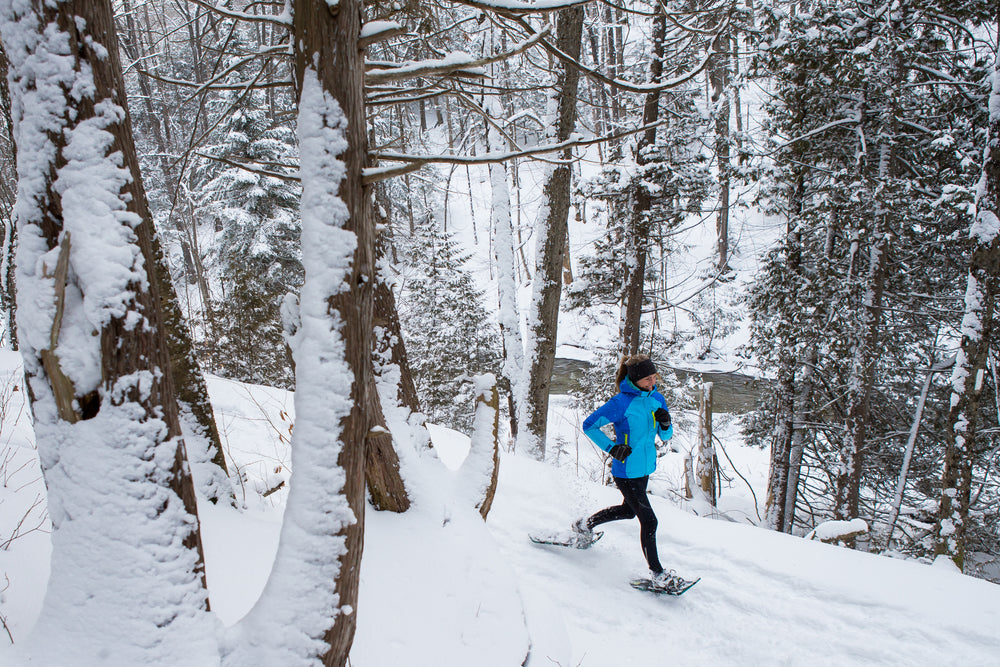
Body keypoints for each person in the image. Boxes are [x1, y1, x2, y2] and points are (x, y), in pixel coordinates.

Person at [573, 354, 676, 588]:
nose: (652, 382)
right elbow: (589, 425)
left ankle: (584, 525)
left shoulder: (657, 398)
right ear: (635, 380)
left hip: (645, 468)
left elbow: (665, 436)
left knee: (628, 511)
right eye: (647, 379)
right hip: (626, 471)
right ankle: (658, 575)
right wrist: (612, 447)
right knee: (649, 521)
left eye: (654, 377)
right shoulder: (621, 403)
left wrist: (666, 423)